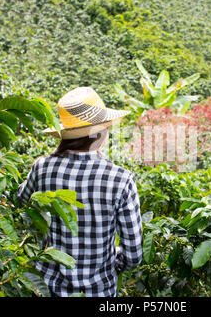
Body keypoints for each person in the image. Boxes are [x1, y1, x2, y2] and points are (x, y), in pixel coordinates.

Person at [17, 87, 143, 297]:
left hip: (46, 289)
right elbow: (134, 254)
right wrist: (110, 264)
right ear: (100, 133)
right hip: (98, 291)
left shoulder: (42, 168)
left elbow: (21, 201)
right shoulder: (121, 179)